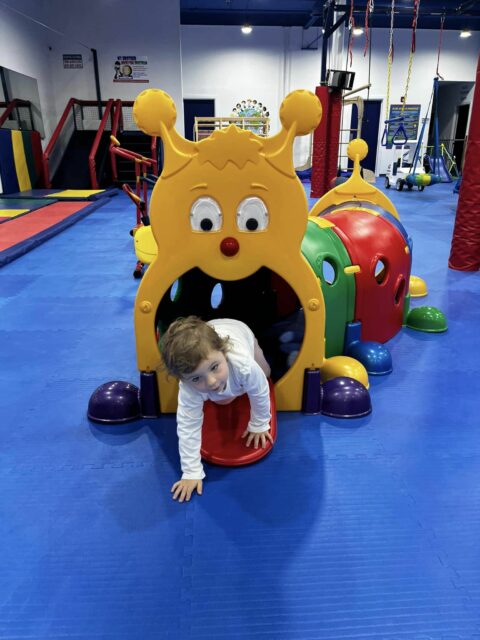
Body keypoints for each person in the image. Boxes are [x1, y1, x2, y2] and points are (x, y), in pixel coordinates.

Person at [160, 316, 273, 502]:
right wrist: (191, 471)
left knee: (265, 373)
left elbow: (260, 391)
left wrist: (259, 424)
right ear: (183, 379)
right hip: (212, 334)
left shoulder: (244, 365)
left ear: (224, 352)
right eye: (196, 378)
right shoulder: (188, 389)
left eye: (214, 367)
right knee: (221, 396)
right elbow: (188, 426)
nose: (211, 382)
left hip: (240, 330)